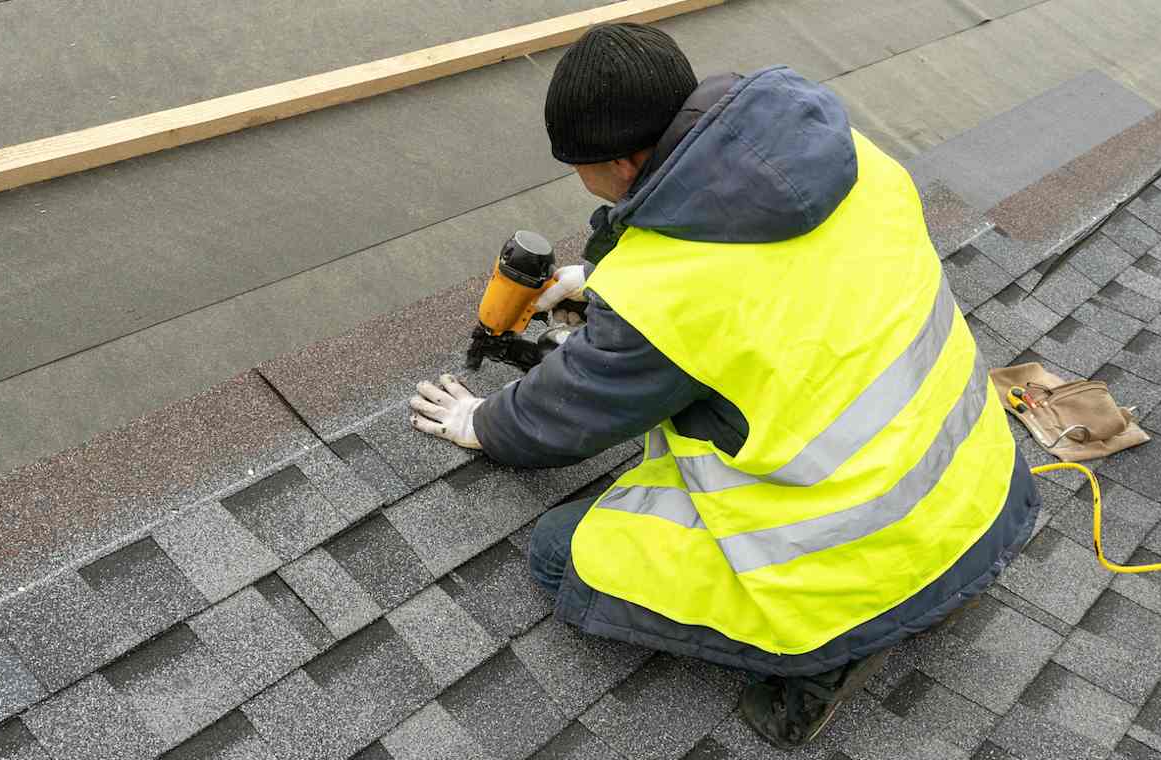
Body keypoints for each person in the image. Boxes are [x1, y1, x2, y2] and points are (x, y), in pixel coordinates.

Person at [408, 23, 1039, 749]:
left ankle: (824, 652)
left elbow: (559, 420)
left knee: (561, 554)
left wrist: (478, 422)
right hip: (978, 490)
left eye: (579, 167)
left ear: (620, 164)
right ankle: (903, 593)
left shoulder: (669, 300)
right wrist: (602, 286)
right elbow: (769, 282)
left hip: (862, 554)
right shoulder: (851, 161)